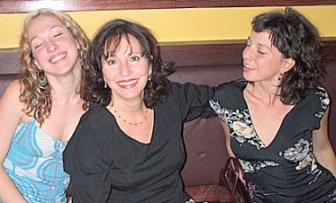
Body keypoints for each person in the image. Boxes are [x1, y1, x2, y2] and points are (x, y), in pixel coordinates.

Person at [63, 18, 214, 202]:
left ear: (149, 65)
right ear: (101, 72)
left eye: (133, 58)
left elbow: (222, 99)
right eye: (112, 61)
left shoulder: (169, 99)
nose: (125, 72)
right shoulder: (92, 133)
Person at [210, 7, 336, 203]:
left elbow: (323, 150)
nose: (246, 55)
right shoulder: (226, 100)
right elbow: (234, 151)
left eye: (260, 51)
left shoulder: (315, 101)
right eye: (248, 44)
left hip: (321, 196)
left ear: (286, 64)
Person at [0, 8, 90, 202]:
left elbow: (97, 175)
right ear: (36, 63)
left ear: (77, 41)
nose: (51, 46)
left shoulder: (98, 104)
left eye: (57, 34)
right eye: (38, 44)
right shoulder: (21, 94)